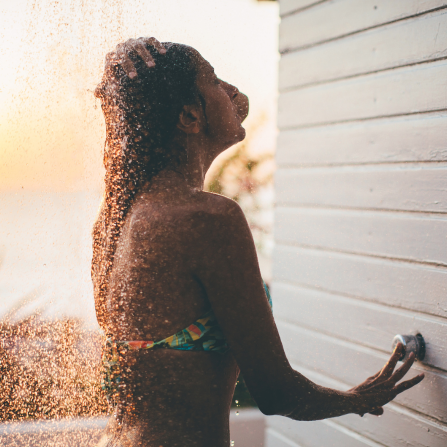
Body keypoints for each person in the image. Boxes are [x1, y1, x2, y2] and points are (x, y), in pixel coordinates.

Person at [91, 37, 424, 447]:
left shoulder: (118, 219)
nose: (233, 90)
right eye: (214, 79)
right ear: (190, 115)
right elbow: (276, 392)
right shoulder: (208, 219)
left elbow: (238, 105)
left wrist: (128, 88)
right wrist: (358, 398)